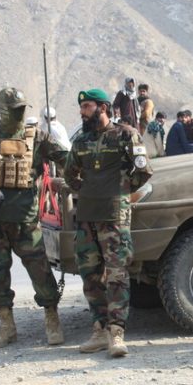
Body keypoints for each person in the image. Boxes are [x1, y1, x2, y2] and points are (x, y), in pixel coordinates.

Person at [0, 88, 67, 349]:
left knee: (41, 272)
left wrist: (81, 175)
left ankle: (52, 319)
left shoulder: (38, 138)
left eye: (22, 109)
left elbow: (66, 158)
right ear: (3, 110)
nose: (19, 114)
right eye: (14, 109)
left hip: (26, 222)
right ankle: (6, 325)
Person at [64, 88, 153, 358]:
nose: (82, 112)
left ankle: (116, 332)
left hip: (114, 216)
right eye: (81, 107)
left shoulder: (126, 135)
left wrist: (120, 191)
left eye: (87, 107)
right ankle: (100, 329)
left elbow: (143, 170)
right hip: (87, 216)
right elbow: (69, 174)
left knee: (116, 275)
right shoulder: (82, 140)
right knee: (90, 276)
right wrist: (88, 189)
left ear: (102, 107)